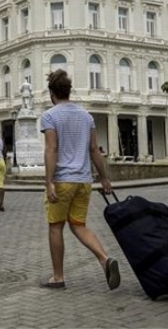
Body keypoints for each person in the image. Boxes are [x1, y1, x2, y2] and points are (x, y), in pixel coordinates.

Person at [39, 69, 120, 290]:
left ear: (51, 93)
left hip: (63, 180)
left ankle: (58, 277)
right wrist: (104, 179)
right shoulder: (86, 116)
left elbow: (51, 149)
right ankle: (104, 259)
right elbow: (94, 150)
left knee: (55, 227)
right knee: (79, 225)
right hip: (84, 181)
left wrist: (48, 182)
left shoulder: (50, 116)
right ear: (69, 91)